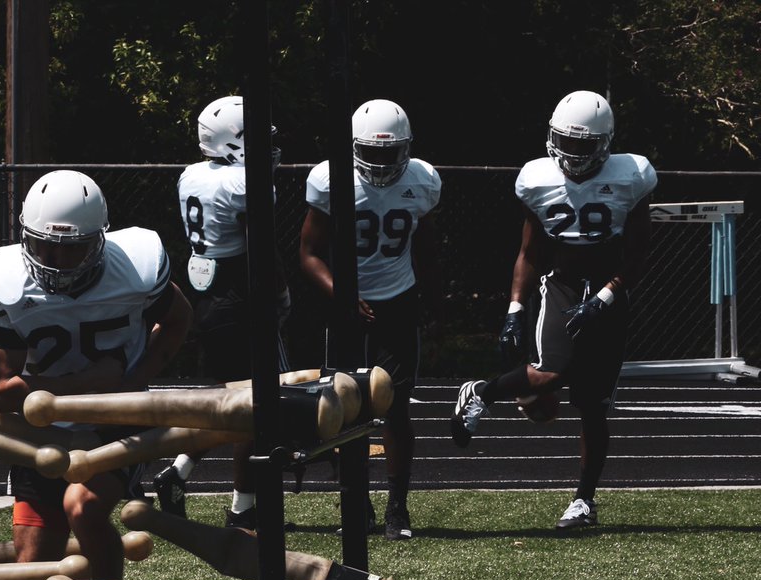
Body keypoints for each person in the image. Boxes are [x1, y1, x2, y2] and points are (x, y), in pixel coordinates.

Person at [0, 169, 191, 580]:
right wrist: (89, 382)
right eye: (47, 247)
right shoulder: (5, 280)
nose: (59, 263)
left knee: (84, 506)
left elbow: (180, 317)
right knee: (35, 569)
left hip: (112, 422)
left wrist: (138, 374)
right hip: (44, 431)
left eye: (73, 250)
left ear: (100, 239)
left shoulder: (136, 266)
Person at [450, 90, 656, 529]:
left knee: (593, 405)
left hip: (609, 289)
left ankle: (583, 501)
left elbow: (638, 256)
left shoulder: (633, 176)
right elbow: (528, 252)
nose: (574, 153)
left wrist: (604, 298)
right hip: (561, 284)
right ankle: (481, 394)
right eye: (567, 141)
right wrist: (514, 307)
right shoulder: (537, 178)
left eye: (584, 145)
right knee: (551, 372)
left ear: (605, 143)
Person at [299, 98, 442, 541]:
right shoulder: (330, 178)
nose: (381, 162)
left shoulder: (423, 180)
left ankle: (397, 508)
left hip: (398, 301)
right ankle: (355, 502)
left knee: (396, 408)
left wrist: (430, 299)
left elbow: (429, 248)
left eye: (389, 152)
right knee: (341, 411)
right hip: (346, 307)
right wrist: (344, 296)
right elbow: (308, 253)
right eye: (372, 152)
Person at [151, 95, 291, 528]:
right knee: (253, 407)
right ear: (233, 140)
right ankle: (243, 509)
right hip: (238, 292)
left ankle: (179, 473)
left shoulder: (193, 175)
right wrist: (280, 292)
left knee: (231, 406)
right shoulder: (240, 183)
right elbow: (260, 249)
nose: (268, 145)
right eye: (257, 136)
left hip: (208, 292)